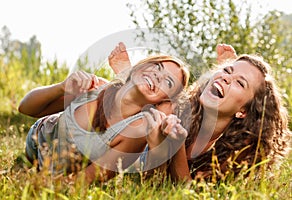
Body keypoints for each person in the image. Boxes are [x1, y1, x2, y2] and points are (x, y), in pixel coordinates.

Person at [108, 43, 291, 182]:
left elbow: (185, 191)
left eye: (240, 83)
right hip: (137, 141)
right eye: (227, 70)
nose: (225, 76)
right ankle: (127, 77)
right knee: (158, 107)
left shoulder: (240, 150)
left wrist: (176, 145)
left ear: (242, 112)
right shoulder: (175, 108)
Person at [18, 53, 190, 184]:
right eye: (157, 66)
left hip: (55, 170)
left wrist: (46, 185)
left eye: (168, 82)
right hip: (37, 142)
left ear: (163, 100)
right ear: (138, 67)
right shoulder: (96, 86)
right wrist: (62, 87)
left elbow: (84, 181)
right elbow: (25, 108)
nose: (158, 76)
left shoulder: (137, 130)